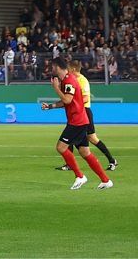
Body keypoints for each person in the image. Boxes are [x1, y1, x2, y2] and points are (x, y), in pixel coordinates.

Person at [45, 60, 110, 190]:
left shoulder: (69, 81)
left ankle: (80, 176)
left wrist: (56, 88)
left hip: (77, 121)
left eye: (52, 67)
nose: (51, 69)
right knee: (85, 152)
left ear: (58, 67)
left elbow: (67, 99)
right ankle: (105, 180)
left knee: (61, 147)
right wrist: (51, 106)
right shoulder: (67, 80)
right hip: (80, 120)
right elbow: (66, 102)